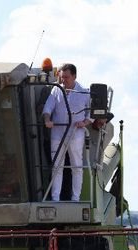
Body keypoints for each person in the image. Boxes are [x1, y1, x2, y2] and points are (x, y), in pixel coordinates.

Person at [42, 63, 91, 201]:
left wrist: (84, 123)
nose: (63, 80)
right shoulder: (56, 90)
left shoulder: (84, 92)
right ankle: (55, 198)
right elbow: (48, 107)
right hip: (57, 133)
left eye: (67, 77)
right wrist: (47, 120)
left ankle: (75, 198)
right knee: (57, 166)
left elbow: (91, 113)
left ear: (75, 76)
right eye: (62, 77)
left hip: (76, 134)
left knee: (76, 166)